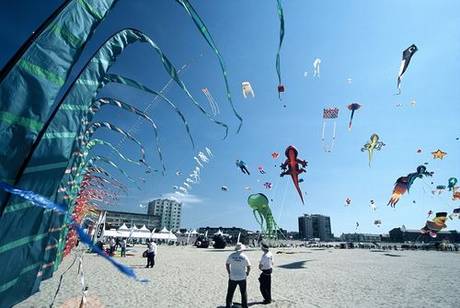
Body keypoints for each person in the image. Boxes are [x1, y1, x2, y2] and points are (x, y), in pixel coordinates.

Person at [225, 243, 251, 308]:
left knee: (230, 292)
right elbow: (249, 266)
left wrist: (229, 272)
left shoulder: (231, 255)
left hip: (233, 276)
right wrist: (247, 272)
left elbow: (227, 264)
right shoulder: (244, 256)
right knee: (243, 292)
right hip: (242, 276)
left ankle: (228, 305)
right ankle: (245, 306)